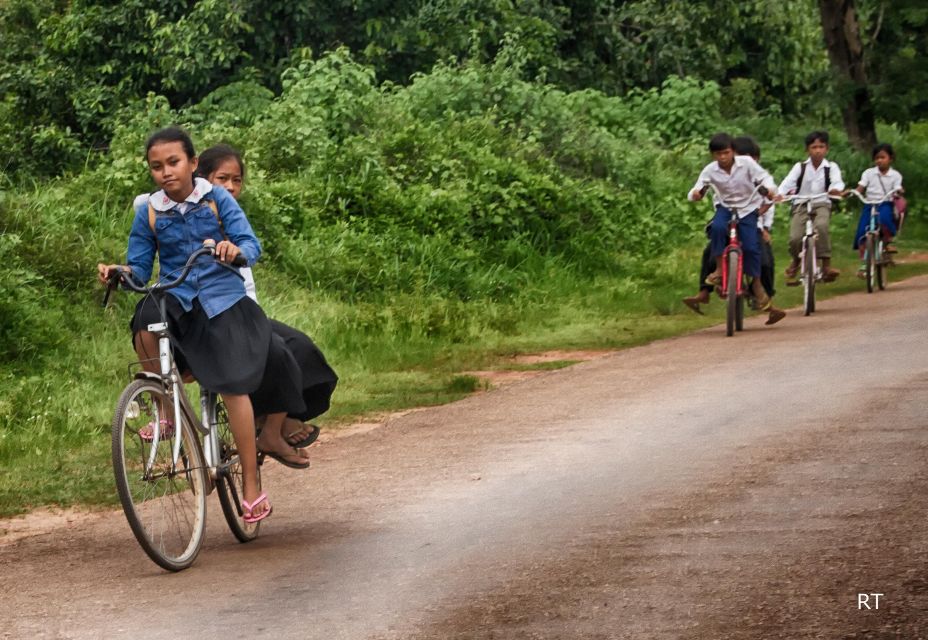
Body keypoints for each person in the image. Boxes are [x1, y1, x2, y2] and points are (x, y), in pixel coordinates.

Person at [97, 127, 306, 523]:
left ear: (193, 164)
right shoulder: (150, 212)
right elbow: (141, 267)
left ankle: (250, 483)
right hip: (176, 294)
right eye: (156, 167)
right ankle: (167, 410)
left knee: (232, 384)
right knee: (144, 319)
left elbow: (251, 244)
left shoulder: (217, 199)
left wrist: (233, 250)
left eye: (173, 163)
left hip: (222, 297)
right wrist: (118, 272)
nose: (166, 172)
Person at [196, 144, 338, 451]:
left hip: (246, 310)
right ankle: (271, 424)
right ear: (203, 179)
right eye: (223, 179)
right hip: (210, 314)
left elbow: (250, 255)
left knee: (301, 347)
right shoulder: (189, 215)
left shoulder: (234, 218)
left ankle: (277, 419)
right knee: (272, 351)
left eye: (237, 180)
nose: (231, 187)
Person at [686, 133, 782, 320]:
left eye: (726, 153)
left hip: (747, 210)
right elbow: (698, 188)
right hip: (726, 208)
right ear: (713, 155)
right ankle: (720, 270)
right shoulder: (710, 170)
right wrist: (696, 195)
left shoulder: (746, 164)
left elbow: (765, 179)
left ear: (733, 152)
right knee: (717, 229)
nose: (723, 157)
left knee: (752, 247)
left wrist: (770, 191)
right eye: (718, 154)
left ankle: (756, 284)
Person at [778, 130, 845, 285]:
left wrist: (835, 190)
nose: (817, 150)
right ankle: (796, 260)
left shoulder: (831, 167)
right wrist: (780, 194)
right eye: (814, 147)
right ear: (807, 150)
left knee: (821, 226)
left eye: (821, 147)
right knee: (795, 237)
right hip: (801, 203)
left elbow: (837, 182)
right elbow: (787, 183)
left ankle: (826, 265)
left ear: (826, 149)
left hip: (822, 202)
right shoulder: (800, 167)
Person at [852, 143, 904, 277]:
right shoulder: (869, 173)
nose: (879, 160)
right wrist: (854, 192)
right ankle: (864, 263)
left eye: (883, 157)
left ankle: (886, 241)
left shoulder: (895, 175)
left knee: (885, 219)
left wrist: (898, 191)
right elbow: (861, 187)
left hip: (885, 203)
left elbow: (897, 187)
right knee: (862, 230)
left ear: (890, 158)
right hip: (870, 204)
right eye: (877, 158)